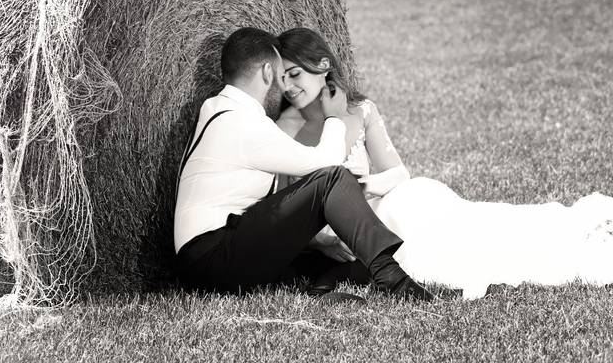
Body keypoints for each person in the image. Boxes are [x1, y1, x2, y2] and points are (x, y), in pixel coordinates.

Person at [275, 27, 613, 299]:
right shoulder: (285, 128)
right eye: (281, 79)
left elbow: (398, 173)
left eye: (294, 75)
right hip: (370, 226)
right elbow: (284, 206)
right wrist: (322, 239)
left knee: (485, 222)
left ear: (322, 66)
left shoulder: (360, 110)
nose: (288, 87)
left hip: (398, 200)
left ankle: (565, 231)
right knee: (451, 252)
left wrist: (361, 185)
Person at [173, 27, 434, 301]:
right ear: (266, 72)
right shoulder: (244, 123)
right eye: (279, 74)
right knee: (334, 177)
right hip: (213, 258)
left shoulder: (218, 108)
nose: (284, 86)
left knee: (351, 258)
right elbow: (326, 165)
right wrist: (333, 117)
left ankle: (324, 287)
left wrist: (320, 241)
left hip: (214, 254)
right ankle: (392, 279)